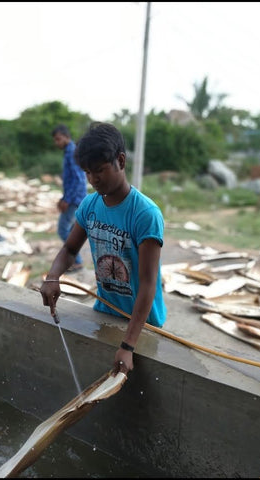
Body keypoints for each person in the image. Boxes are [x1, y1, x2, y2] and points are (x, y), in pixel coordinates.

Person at [41, 122, 167, 375]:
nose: (92, 179)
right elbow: (69, 248)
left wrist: (128, 345)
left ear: (121, 161)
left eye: (99, 170)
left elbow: (147, 283)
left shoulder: (145, 214)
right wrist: (53, 276)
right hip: (104, 312)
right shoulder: (90, 205)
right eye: (87, 172)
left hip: (142, 324)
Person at [52, 124, 87, 272]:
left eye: (59, 139)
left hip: (75, 199)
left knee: (62, 229)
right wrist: (64, 197)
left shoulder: (72, 152)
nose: (57, 143)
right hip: (73, 197)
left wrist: (67, 199)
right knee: (72, 231)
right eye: (55, 140)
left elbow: (79, 179)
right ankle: (75, 261)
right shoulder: (68, 152)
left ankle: (77, 261)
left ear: (67, 137)